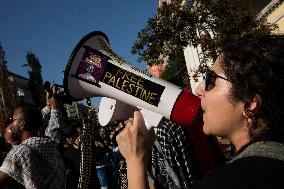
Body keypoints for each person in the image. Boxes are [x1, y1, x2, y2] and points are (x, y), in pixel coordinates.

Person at [116, 35, 284, 189]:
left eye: (211, 80)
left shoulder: (229, 180)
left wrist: (134, 160)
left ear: (250, 102)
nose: (198, 89)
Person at [0, 87, 66, 188]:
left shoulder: (21, 152)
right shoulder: (47, 144)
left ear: (22, 124)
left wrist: (52, 108)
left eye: (13, 119)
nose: (11, 124)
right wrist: (50, 107)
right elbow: (34, 119)